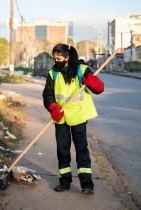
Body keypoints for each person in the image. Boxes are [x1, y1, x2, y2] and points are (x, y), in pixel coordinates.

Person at [42, 43, 104, 195]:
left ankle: (87, 184)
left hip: (78, 114)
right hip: (61, 116)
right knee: (62, 149)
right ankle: (65, 181)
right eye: (54, 58)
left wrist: (94, 83)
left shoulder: (82, 70)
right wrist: (52, 107)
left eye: (59, 58)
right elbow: (47, 95)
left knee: (81, 149)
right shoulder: (53, 73)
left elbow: (99, 89)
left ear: (67, 57)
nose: (56, 61)